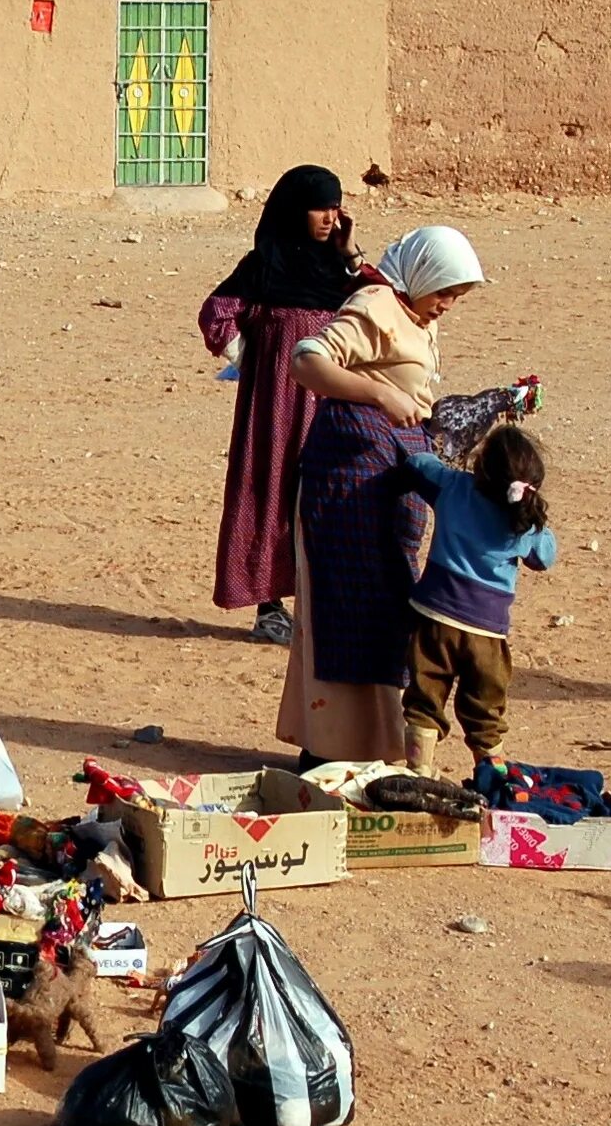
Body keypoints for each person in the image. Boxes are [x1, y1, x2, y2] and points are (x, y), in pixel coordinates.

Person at [274, 225, 487, 764]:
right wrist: (379, 394)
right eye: (445, 292)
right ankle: (327, 750)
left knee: (385, 607)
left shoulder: (413, 315)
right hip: (346, 485)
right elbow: (307, 360)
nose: (446, 306)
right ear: (424, 275)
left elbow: (413, 391)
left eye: (455, 298)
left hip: (387, 482)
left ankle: (371, 745)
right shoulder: (375, 305)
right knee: (345, 607)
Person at [200, 166, 363, 644]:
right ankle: (269, 609)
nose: (330, 218)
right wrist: (251, 358)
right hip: (274, 409)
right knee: (269, 494)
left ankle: (321, 609)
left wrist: (351, 253)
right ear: (295, 210)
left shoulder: (339, 271)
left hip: (332, 407)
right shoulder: (263, 267)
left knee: (328, 498)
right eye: (320, 207)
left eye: (336, 207)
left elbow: (383, 303)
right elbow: (217, 313)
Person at [396, 425, 557, 777]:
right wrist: (536, 520)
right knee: (486, 712)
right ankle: (492, 778)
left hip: (434, 618)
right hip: (487, 632)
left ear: (480, 466)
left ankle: (419, 772)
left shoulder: (453, 487)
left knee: (425, 698)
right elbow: (544, 558)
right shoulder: (526, 525)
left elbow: (419, 464)